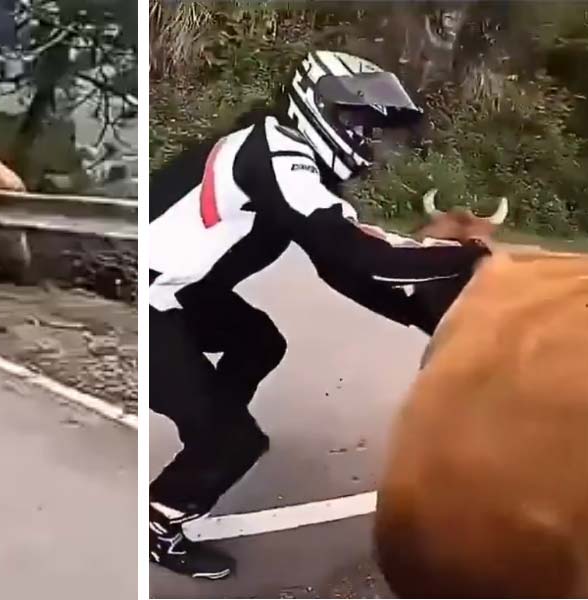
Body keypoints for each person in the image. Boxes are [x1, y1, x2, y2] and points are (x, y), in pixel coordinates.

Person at [148, 50, 492, 580]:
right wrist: (474, 257)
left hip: (182, 291)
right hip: (147, 300)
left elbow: (342, 268)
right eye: (365, 127)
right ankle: (163, 515)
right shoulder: (277, 156)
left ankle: (206, 428)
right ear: (327, 109)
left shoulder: (286, 161)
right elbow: (360, 256)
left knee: (258, 342)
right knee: (235, 442)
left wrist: (428, 320)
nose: (371, 143)